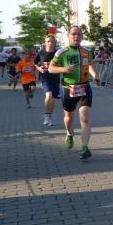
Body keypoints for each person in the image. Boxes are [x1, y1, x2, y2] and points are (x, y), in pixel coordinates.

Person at [49, 26, 98, 159]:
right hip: (68, 89)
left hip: (84, 88)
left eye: (79, 34)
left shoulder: (86, 52)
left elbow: (89, 65)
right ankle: (69, 133)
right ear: (68, 36)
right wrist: (64, 69)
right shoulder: (61, 52)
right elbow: (51, 68)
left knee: (85, 116)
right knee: (69, 117)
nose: (76, 37)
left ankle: (84, 148)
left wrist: (95, 75)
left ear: (81, 36)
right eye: (73, 34)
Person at [35, 35, 61, 126]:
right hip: (45, 78)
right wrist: (39, 68)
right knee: (49, 95)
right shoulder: (41, 52)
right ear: (45, 43)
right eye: (48, 41)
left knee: (53, 100)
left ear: (54, 43)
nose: (50, 43)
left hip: (55, 79)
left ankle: (49, 117)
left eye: (52, 41)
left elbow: (63, 64)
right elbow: (35, 63)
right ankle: (46, 115)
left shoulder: (58, 53)